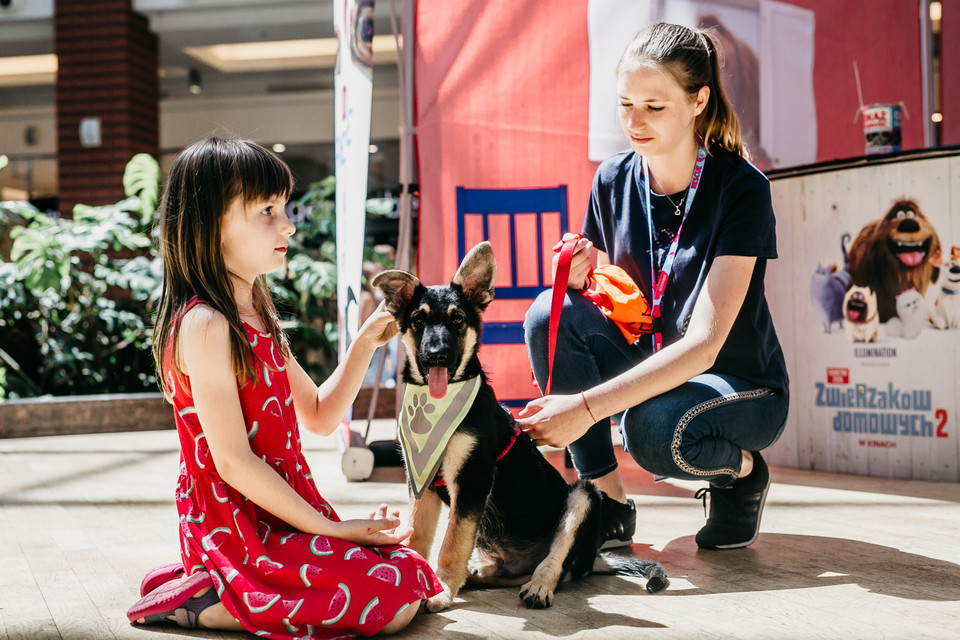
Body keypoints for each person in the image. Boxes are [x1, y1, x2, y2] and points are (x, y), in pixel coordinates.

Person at [126, 137, 441, 637]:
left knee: (409, 574)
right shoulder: (206, 324)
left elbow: (317, 413)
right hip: (236, 526)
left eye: (284, 207)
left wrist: (363, 344)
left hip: (285, 509)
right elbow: (232, 462)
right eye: (267, 210)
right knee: (392, 600)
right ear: (212, 225)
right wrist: (336, 530)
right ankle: (209, 597)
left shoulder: (257, 309)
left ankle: (212, 587)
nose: (288, 224)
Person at [518, 22, 789, 551]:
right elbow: (608, 293)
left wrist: (586, 408)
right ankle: (607, 502)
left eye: (653, 106)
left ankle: (742, 474)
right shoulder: (612, 179)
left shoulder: (742, 189)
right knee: (550, 312)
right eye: (625, 105)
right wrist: (579, 274)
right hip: (650, 361)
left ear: (698, 100)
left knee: (650, 431)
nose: (634, 122)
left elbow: (706, 344)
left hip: (737, 384)